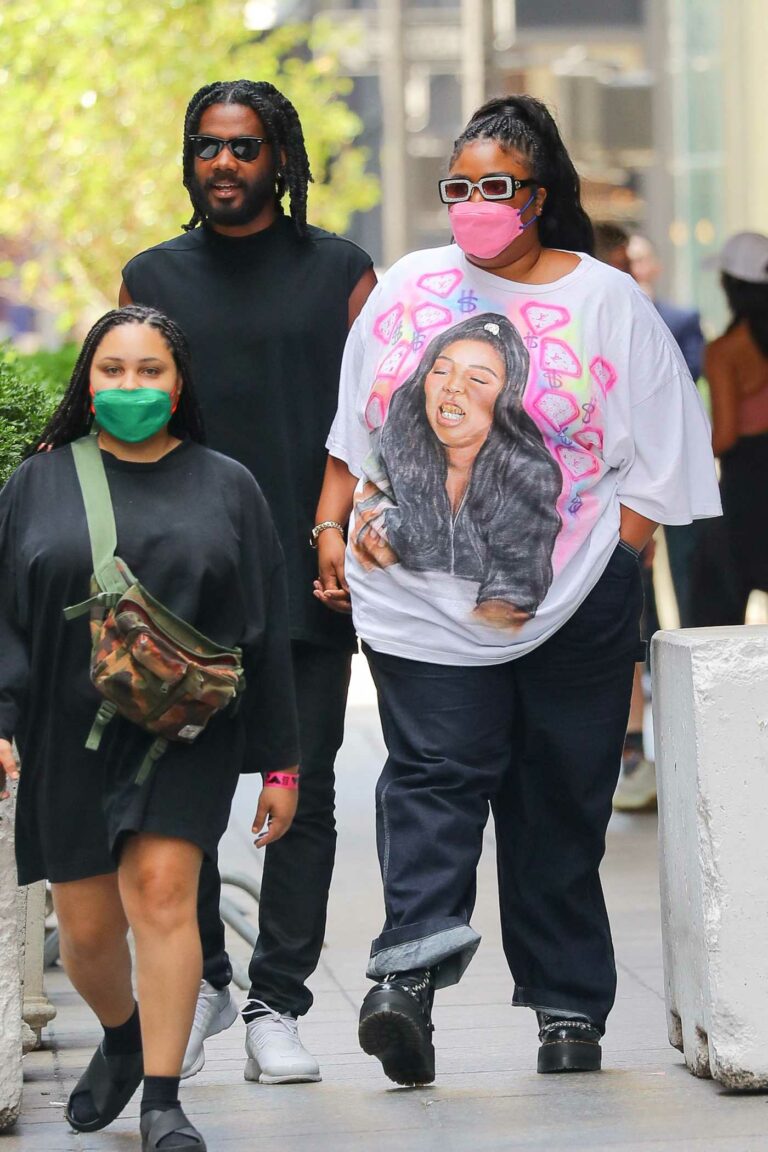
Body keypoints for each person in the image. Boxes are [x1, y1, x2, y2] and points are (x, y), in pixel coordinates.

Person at [314, 94, 720, 1087]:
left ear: (539, 195)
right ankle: (404, 986)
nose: (475, 204)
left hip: (573, 604)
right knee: (433, 785)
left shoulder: (606, 302)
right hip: (416, 605)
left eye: (497, 187)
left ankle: (570, 1003)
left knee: (558, 805)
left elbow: (663, 464)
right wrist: (330, 527)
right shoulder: (407, 286)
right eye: (459, 187)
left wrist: (611, 565)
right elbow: (351, 431)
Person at [120, 79, 376, 1083]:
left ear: (280, 158)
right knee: (180, 797)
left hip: (306, 572)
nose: (222, 163)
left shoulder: (343, 273)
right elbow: (131, 406)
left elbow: (366, 422)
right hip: (183, 581)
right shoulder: (150, 272)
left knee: (299, 795)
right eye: (206, 146)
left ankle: (279, 1003)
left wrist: (335, 525)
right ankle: (213, 980)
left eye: (243, 146)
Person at [0, 306, 299, 1151]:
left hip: (185, 736)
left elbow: (264, 632)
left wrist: (281, 764)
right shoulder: (39, 482)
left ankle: (164, 1099)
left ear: (180, 383)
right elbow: (7, 615)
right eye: (113, 371)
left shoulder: (228, 485)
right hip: (65, 734)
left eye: (151, 371)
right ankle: (124, 1036)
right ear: (87, 384)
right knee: (89, 934)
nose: (131, 386)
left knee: (165, 896)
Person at [352, 313, 562, 624]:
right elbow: (368, 550)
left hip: (505, 649)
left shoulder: (530, 473)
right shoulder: (394, 448)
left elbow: (510, 599)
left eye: (477, 379)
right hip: (399, 640)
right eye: (440, 371)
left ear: (507, 397)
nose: (452, 387)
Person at [592, 222, 659, 813]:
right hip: (591, 526)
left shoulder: (635, 318)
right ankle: (624, 754)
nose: (628, 273)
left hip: (621, 527)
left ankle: (631, 755)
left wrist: (637, 535)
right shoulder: (593, 318)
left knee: (629, 641)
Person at [628, 232, 706, 633]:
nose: (634, 267)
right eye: (628, 259)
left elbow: (689, 380)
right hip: (626, 463)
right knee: (634, 565)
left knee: (684, 560)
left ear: (655, 265)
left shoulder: (680, 318)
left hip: (670, 458)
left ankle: (683, 638)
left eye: (640, 259)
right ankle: (648, 647)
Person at [694, 231, 768, 620]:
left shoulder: (725, 351)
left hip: (749, 486)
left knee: (717, 609)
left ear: (729, 287)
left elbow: (724, 436)